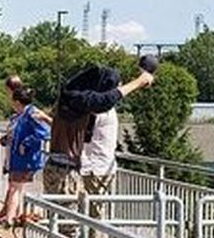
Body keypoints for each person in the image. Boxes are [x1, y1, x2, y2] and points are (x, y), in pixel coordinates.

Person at [44, 64, 154, 197]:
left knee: (59, 214)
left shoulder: (67, 98)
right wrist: (138, 82)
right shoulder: (76, 100)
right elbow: (103, 101)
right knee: (70, 216)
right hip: (66, 170)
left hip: (56, 166)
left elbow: (101, 102)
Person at [0, 86, 51, 225]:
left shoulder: (31, 113)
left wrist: (26, 143)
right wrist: (6, 139)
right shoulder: (19, 115)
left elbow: (44, 132)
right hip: (16, 157)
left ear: (17, 101)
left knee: (14, 187)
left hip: (25, 158)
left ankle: (9, 218)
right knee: (15, 187)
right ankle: (12, 215)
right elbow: (16, 132)